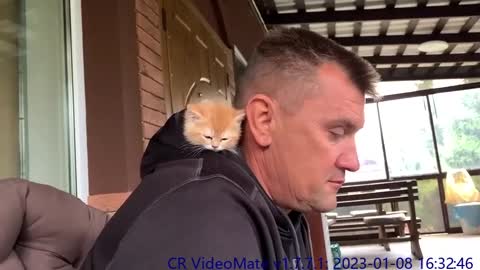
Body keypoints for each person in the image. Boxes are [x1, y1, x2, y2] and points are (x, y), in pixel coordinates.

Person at [80, 27, 380, 270]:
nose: (352, 162)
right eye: (336, 132)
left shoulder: (286, 210)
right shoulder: (203, 219)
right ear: (264, 121)